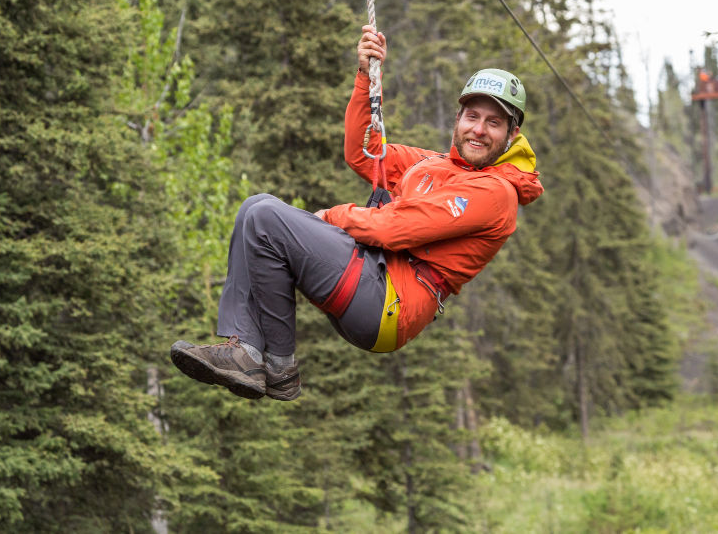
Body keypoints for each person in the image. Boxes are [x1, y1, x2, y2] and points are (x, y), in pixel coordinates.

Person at [170, 26, 544, 400]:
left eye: (493, 123)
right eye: (472, 117)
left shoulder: (496, 193)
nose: (478, 130)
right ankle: (256, 357)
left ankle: (274, 362)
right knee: (254, 208)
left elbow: (396, 229)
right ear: (458, 119)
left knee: (266, 217)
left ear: (511, 136)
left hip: (389, 302)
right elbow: (364, 151)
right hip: (375, 280)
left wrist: (331, 216)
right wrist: (366, 77)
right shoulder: (434, 165)